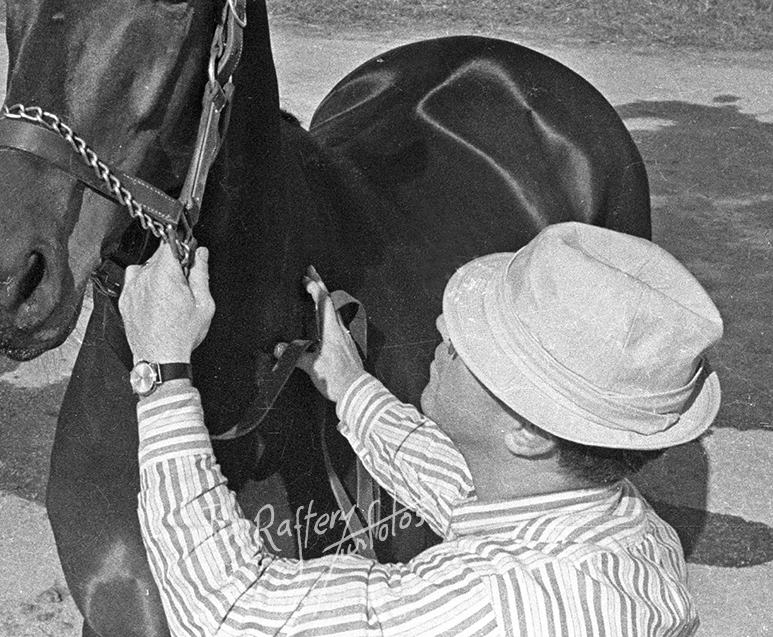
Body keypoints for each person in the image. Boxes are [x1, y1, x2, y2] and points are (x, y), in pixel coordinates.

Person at [120, 221, 722, 636]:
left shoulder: (495, 608)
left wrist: (163, 371)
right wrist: (350, 385)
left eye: (475, 347)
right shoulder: (622, 527)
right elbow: (461, 489)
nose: (443, 326)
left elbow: (231, 616)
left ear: (530, 434)